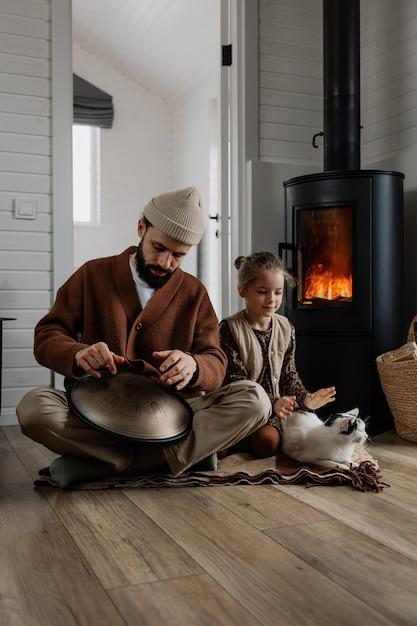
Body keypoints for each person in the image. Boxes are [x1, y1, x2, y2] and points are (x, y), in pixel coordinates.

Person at [16, 187, 271, 488]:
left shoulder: (194, 293)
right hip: (95, 413)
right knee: (32, 408)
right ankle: (172, 458)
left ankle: (109, 463)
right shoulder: (91, 275)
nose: (165, 263)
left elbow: (215, 360)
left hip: (173, 418)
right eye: (158, 248)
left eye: (178, 255)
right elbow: (47, 335)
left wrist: (194, 365)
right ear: (141, 228)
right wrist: (77, 353)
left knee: (256, 400)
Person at [219, 251, 336, 459]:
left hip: (272, 413)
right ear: (242, 291)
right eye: (263, 292)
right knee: (218, 451)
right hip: (238, 408)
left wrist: (306, 399)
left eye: (278, 292)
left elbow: (288, 375)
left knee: (267, 444)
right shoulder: (229, 328)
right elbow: (237, 381)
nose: (271, 299)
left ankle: (245, 441)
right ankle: (230, 440)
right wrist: (273, 401)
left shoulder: (286, 328)